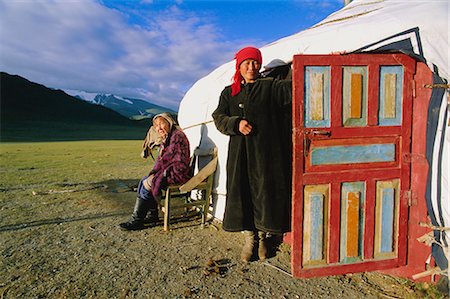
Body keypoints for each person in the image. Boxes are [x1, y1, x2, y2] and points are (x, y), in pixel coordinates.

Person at [212, 46, 292, 262]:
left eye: (255, 62)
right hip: (241, 154)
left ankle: (265, 237)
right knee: (243, 193)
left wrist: (324, 65)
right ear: (239, 66)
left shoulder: (272, 87)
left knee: (265, 193)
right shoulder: (230, 92)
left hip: (266, 153)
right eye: (246, 63)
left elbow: (301, 88)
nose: (251, 66)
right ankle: (250, 239)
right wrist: (235, 123)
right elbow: (218, 117)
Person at [119, 112, 191, 231]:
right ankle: (152, 215)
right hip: (170, 170)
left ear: (169, 122)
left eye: (161, 124)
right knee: (144, 180)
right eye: (156, 126)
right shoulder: (168, 137)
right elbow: (161, 160)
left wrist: (160, 173)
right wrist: (155, 171)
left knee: (149, 183)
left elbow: (173, 159)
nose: (159, 128)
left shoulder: (177, 136)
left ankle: (137, 220)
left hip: (177, 172)